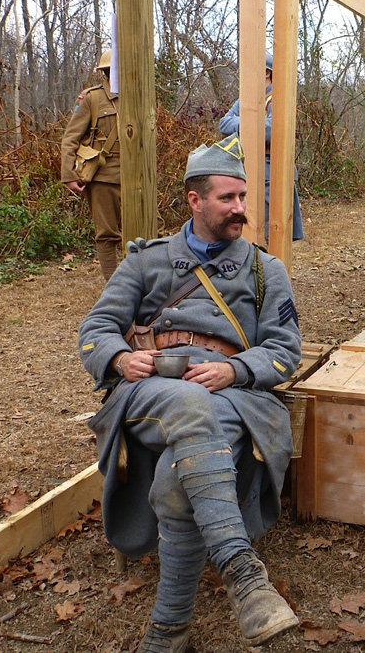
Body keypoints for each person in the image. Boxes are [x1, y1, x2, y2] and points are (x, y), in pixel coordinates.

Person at [78, 133, 301, 652]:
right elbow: (96, 326)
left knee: (178, 478)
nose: (240, 209)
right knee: (187, 403)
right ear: (194, 200)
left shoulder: (267, 271)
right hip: (151, 391)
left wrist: (237, 371)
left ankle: (169, 628)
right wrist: (117, 356)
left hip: (233, 398)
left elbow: (284, 350)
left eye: (243, 197)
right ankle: (243, 575)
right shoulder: (145, 262)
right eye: (227, 198)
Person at [219, 52, 305, 241]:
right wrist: (253, 121)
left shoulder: (278, 97)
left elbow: (271, 131)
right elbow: (224, 124)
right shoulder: (247, 98)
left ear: (266, 72)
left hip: (273, 170)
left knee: (274, 235)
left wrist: (242, 121)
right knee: (249, 229)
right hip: (248, 168)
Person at [61, 51, 122, 280]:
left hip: (136, 177)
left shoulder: (139, 96)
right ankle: (114, 289)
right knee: (107, 235)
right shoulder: (91, 99)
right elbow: (71, 137)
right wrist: (68, 174)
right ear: (105, 73)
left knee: (152, 229)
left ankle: (146, 284)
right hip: (104, 177)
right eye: (111, 70)